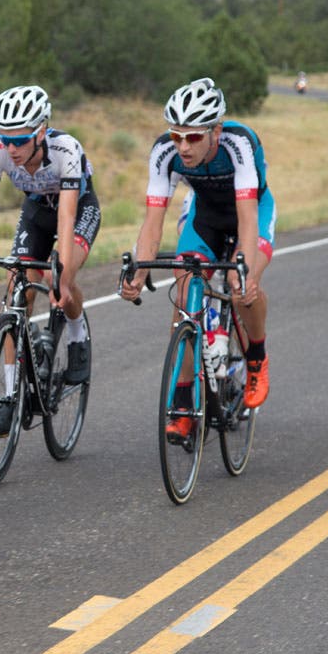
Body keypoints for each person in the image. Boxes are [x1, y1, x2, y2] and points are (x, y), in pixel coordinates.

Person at [120, 77, 275, 443]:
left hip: (249, 213)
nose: (183, 146)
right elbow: (153, 223)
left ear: (215, 131)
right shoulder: (164, 152)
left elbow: (249, 217)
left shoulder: (240, 144)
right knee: (185, 287)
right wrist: (139, 271)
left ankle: (256, 357)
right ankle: (184, 401)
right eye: (176, 136)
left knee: (241, 286)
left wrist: (246, 267)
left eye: (192, 137)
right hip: (204, 217)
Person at [0, 85, 100, 434]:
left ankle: (78, 335)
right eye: (6, 139)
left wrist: (60, 270)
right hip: (35, 211)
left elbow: (66, 216)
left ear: (41, 131)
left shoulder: (67, 149)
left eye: (20, 140)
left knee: (57, 278)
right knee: (15, 290)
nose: (12, 148)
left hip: (77, 211)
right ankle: (8, 392)